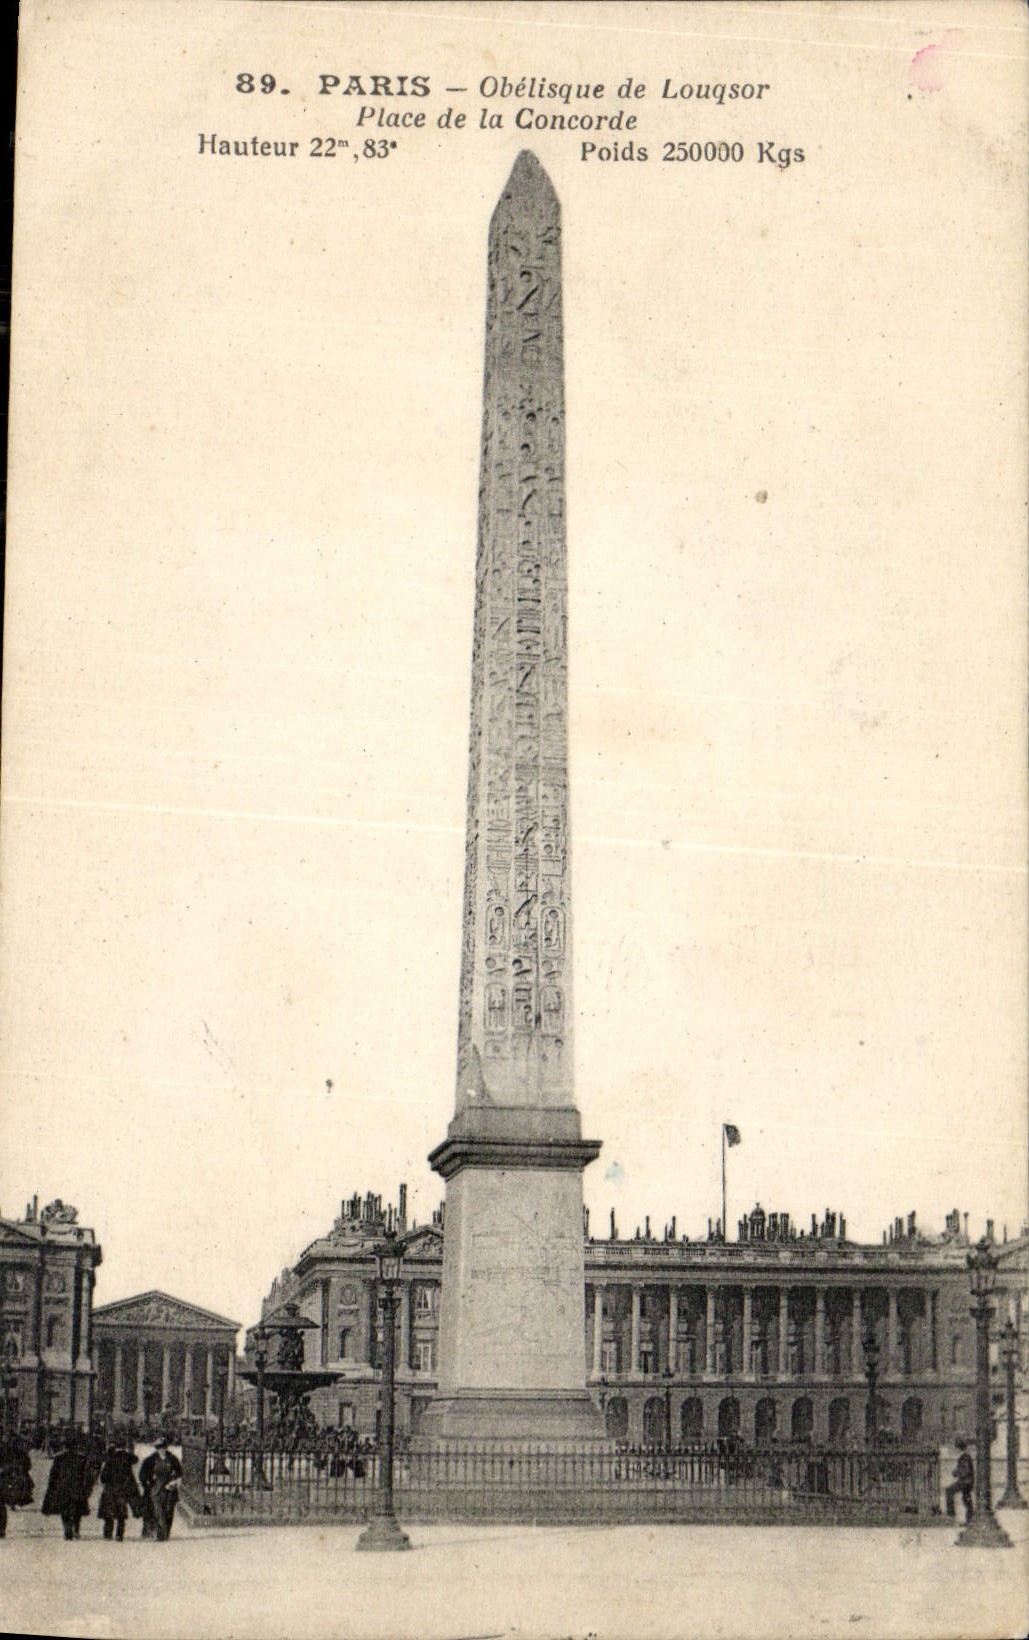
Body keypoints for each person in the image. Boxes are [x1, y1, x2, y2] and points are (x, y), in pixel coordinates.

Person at [41, 1433, 94, 1539]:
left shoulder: (59, 1458)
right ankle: (76, 1529)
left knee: (65, 1510)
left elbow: (53, 1475)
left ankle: (67, 1529)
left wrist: (51, 1488)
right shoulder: (81, 1458)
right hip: (77, 1487)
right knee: (77, 1510)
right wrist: (88, 1488)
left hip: (62, 1487)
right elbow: (88, 1475)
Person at [97, 1439, 142, 1541]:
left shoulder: (110, 1457)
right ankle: (119, 1534)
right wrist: (129, 1451)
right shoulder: (127, 1457)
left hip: (111, 1488)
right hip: (124, 1487)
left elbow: (103, 1476)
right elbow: (136, 1459)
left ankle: (108, 1534)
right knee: (121, 1512)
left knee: (109, 1512)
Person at [139, 1435, 182, 1541]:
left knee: (169, 1511)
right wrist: (149, 1484)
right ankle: (160, 1534)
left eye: (163, 1447)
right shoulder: (150, 1459)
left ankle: (166, 1533)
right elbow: (143, 1475)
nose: (162, 1449)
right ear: (156, 1448)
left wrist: (174, 1481)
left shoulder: (172, 1458)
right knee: (158, 1512)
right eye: (159, 1447)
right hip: (156, 1490)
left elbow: (179, 1471)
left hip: (169, 1490)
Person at [0, 1432, 34, 1537]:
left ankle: (1, 1529)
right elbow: (27, 1465)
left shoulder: (5, 1449)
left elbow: (26, 1464)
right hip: (8, 1478)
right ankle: (1, 1529)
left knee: (1, 1504)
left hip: (4, 1478)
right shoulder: (13, 1449)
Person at [945, 1440, 975, 1521]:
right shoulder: (965, 1456)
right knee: (966, 1498)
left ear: (958, 1449)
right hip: (968, 1481)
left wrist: (955, 1473)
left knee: (949, 1491)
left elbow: (965, 1471)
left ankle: (950, 1515)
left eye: (956, 1448)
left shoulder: (964, 1457)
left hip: (965, 1481)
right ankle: (970, 1518)